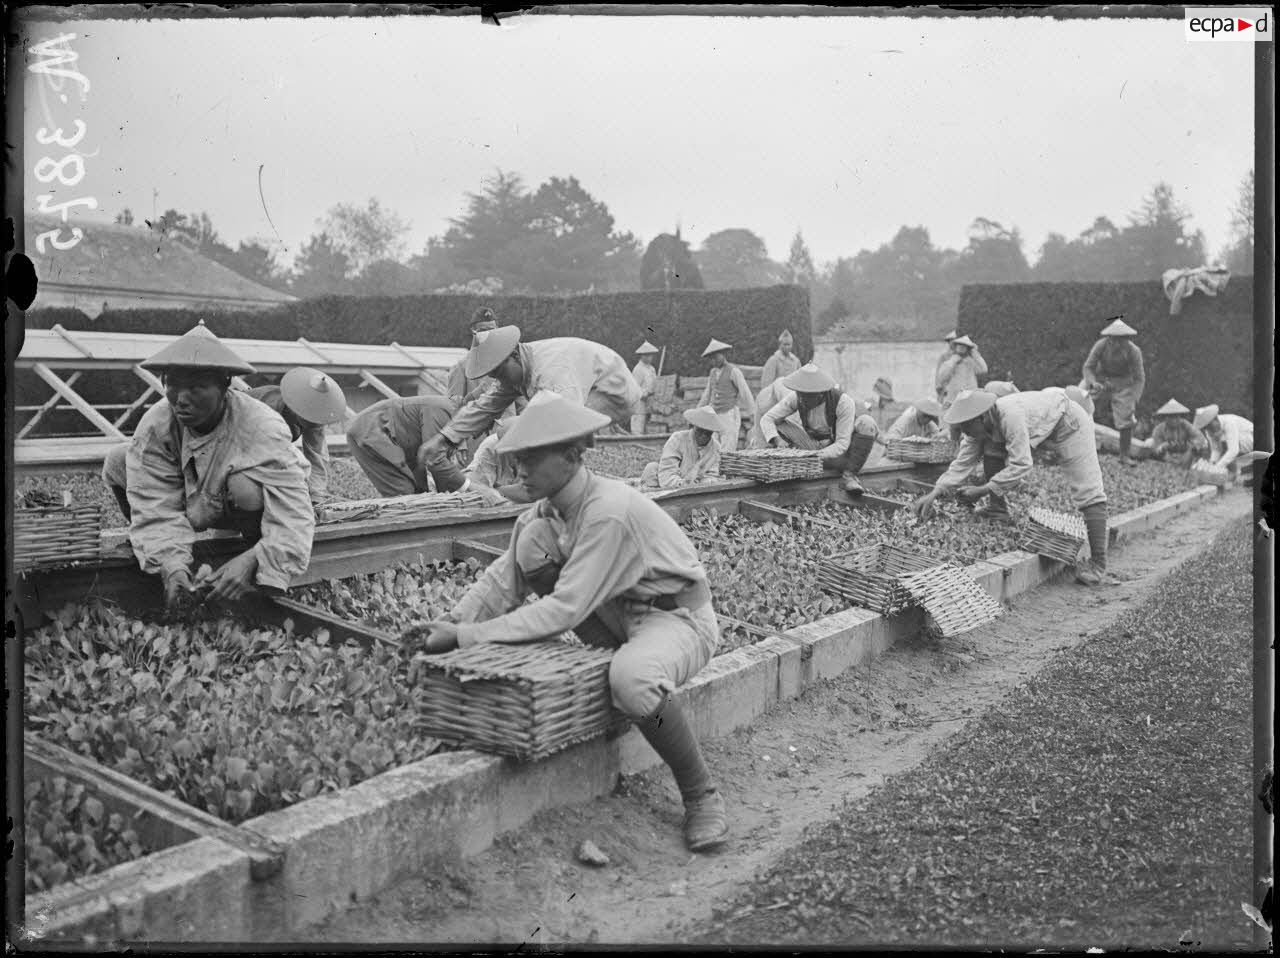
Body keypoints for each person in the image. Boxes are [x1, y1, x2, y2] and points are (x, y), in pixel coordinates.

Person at [405, 391, 730, 852]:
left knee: (633, 680)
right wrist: (450, 623)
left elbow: (564, 610)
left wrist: (467, 637)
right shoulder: (546, 511)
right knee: (532, 542)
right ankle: (617, 688)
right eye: (516, 460)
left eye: (531, 460)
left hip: (676, 619)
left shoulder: (608, 513)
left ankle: (701, 794)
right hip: (619, 614)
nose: (519, 472)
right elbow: (504, 579)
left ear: (573, 456)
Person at [104, 322, 315, 613]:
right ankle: (160, 557)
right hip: (198, 500)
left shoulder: (260, 425)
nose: (181, 398)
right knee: (118, 459)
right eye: (172, 385)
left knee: (245, 487)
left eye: (196, 387)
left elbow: (293, 514)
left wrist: (255, 559)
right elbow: (154, 503)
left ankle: (249, 560)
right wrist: (172, 568)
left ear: (224, 385)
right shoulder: (157, 425)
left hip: (251, 504)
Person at [909, 387, 1110, 586]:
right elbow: (963, 461)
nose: (966, 433)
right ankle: (998, 510)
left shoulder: (1010, 417)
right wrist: (935, 492)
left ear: (983, 417)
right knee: (990, 448)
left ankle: (1098, 564)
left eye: (967, 428)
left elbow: (1022, 464)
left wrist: (982, 490)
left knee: (1087, 489)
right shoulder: (976, 428)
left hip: (1068, 422)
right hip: (1041, 426)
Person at [420, 326, 643, 464]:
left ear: (514, 355)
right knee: (523, 428)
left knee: (543, 432)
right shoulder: (516, 370)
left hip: (614, 393)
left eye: (499, 372)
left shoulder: (553, 372)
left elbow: (566, 423)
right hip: (590, 386)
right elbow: (484, 407)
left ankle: (567, 483)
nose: (500, 380)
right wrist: (444, 439)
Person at [759, 363, 879, 495]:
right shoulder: (797, 397)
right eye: (801, 393)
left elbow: (842, 443)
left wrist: (816, 456)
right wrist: (777, 441)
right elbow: (767, 418)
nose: (803, 399)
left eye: (809, 395)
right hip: (814, 452)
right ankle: (793, 467)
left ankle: (849, 477)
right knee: (778, 423)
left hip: (841, 456)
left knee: (867, 423)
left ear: (821, 393)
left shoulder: (843, 402)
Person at [245, 368, 347, 508]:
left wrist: (316, 498)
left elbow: (316, 457)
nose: (313, 423)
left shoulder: (315, 419)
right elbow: (264, 458)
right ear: (295, 407)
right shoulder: (268, 410)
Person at [345, 395, 469, 497]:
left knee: (421, 493)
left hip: (404, 446)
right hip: (371, 430)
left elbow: (441, 474)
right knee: (404, 493)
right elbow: (435, 460)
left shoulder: (451, 416)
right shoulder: (444, 410)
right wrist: (469, 487)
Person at [1080, 317, 1145, 467]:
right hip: (1101, 380)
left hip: (1123, 384)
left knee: (1126, 417)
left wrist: (1134, 398)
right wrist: (1092, 382)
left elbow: (1139, 378)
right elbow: (1088, 367)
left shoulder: (1134, 351)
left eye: (1121, 340)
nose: (1117, 343)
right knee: (1080, 395)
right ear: (1109, 338)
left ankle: (1124, 456)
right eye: (1114, 339)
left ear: (1127, 339)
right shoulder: (1101, 345)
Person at [640, 406, 724, 489]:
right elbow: (667, 470)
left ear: (712, 432)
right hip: (672, 484)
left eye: (707, 433)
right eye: (700, 430)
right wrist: (683, 484)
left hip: (699, 488)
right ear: (694, 426)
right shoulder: (677, 439)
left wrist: (703, 483)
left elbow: (714, 475)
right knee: (651, 468)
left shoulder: (716, 448)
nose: (703, 435)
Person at [697, 339, 756, 453]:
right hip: (714, 414)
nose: (714, 360)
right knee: (713, 445)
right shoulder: (713, 373)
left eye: (716, 356)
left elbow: (745, 392)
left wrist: (752, 413)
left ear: (723, 354)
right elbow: (707, 394)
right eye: (711, 358)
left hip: (729, 414)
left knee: (728, 445)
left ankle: (726, 469)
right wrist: (698, 411)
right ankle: (713, 470)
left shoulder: (734, 371)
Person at [463, 418, 529, 504]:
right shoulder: (491, 446)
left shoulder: (541, 446)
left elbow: (530, 492)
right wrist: (492, 492)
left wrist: (497, 491)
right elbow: (477, 487)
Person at [446, 307, 501, 406]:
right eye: (483, 330)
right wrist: (479, 392)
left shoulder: (508, 362)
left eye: (492, 330)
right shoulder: (462, 367)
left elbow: (522, 405)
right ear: (473, 331)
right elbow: (453, 407)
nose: (488, 334)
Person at [1194, 404, 1255, 478]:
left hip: (1253, 439)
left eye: (1210, 426)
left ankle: (1234, 473)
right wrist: (1212, 463)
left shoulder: (1229, 422)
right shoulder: (1209, 431)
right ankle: (1233, 474)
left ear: (1215, 419)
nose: (1209, 430)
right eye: (1206, 428)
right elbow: (1216, 450)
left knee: (1226, 446)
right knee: (1223, 448)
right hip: (1240, 445)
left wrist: (1216, 467)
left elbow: (1233, 451)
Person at [1148, 398, 1207, 466]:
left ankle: (1186, 465)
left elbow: (1200, 437)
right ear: (1165, 417)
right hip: (1166, 455)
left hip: (1185, 453)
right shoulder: (1159, 429)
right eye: (1171, 416)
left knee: (1201, 446)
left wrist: (1191, 446)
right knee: (1150, 443)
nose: (1174, 419)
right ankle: (1169, 465)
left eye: (1177, 416)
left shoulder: (1185, 425)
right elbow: (1156, 446)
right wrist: (1164, 446)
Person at [936, 335, 988, 408]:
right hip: (953, 400)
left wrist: (975, 354)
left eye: (964, 346)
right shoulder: (949, 361)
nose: (961, 347)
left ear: (968, 348)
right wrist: (953, 361)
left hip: (970, 398)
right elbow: (942, 377)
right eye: (959, 345)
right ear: (956, 347)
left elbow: (984, 369)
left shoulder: (971, 361)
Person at [631, 341, 660, 435]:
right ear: (642, 356)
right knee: (638, 429)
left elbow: (654, 384)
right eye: (646, 355)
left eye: (650, 355)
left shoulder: (651, 369)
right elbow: (634, 389)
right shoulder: (638, 369)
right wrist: (645, 394)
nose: (649, 357)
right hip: (639, 404)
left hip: (650, 403)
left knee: (649, 429)